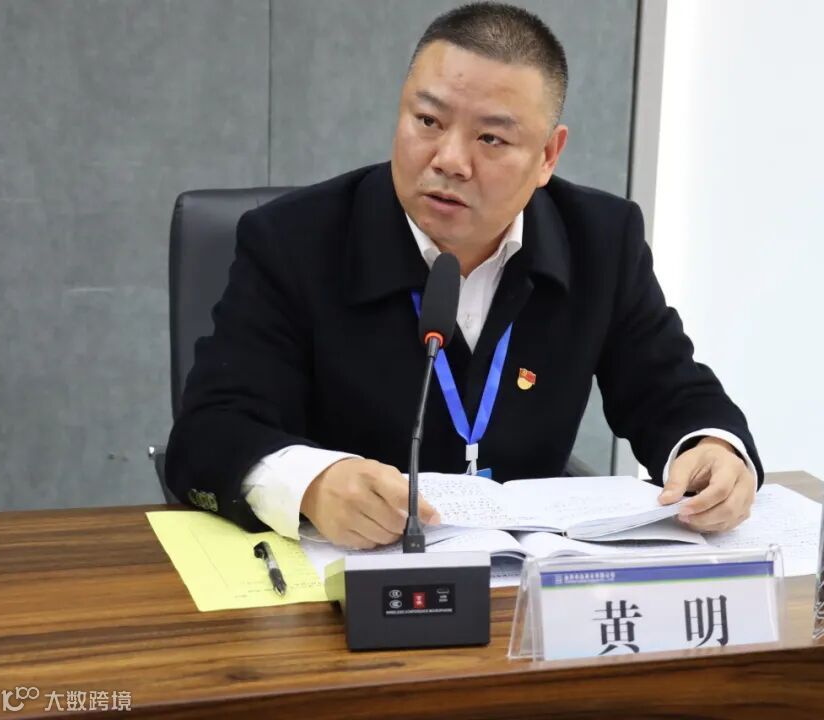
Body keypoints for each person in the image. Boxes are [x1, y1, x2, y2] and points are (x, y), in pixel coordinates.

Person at [166, 2, 763, 550]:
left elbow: (670, 390)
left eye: (491, 138)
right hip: (351, 578)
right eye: (428, 121)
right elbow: (209, 433)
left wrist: (712, 448)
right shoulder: (295, 240)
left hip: (526, 587)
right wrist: (313, 484)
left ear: (548, 156)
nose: (449, 159)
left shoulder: (601, 241)